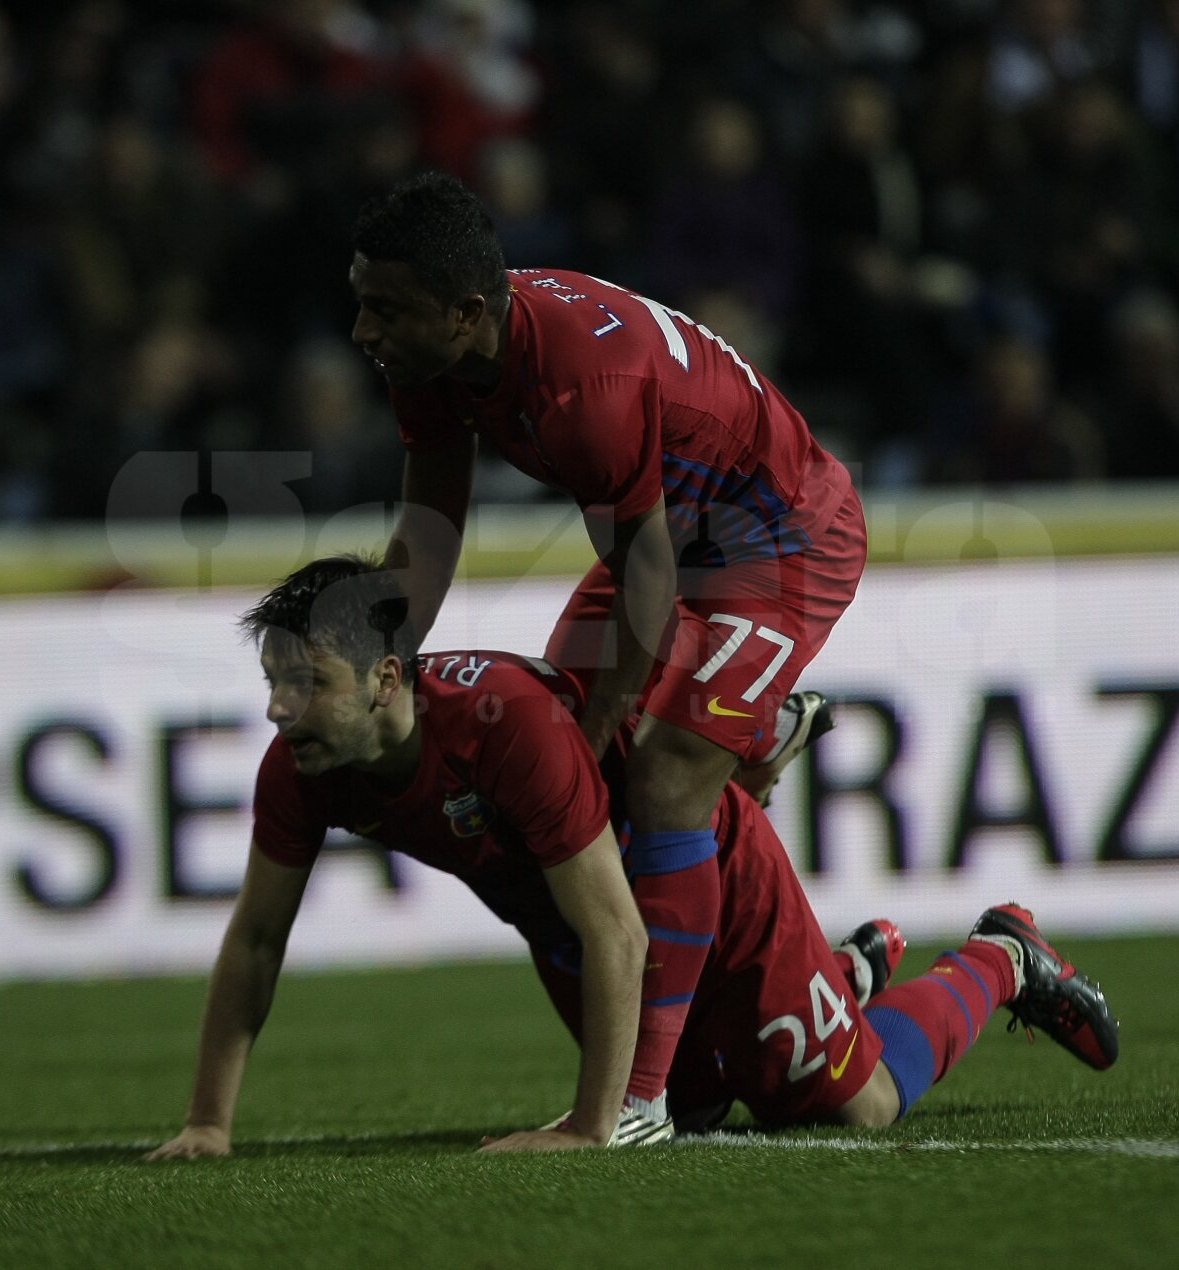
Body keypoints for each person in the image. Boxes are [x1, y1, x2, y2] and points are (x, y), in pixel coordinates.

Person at [146, 556, 1119, 1159]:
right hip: (574, 928)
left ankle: (1000, 956)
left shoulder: (504, 729)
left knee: (848, 1106)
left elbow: (620, 923)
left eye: (304, 682)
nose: (278, 709)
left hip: (697, 888)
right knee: (691, 1110)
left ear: (387, 678)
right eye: (274, 682)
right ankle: (843, 977)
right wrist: (208, 1122)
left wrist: (587, 1126)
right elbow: (258, 939)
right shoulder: (307, 763)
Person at [348, 170, 865, 1107]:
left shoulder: (584, 388)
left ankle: (640, 1102)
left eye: (385, 310)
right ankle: (751, 753)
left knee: (655, 774)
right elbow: (428, 534)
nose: (363, 333)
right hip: (674, 532)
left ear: (465, 313)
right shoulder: (440, 359)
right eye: (360, 304)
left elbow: (649, 583)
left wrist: (584, 753)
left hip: (782, 533)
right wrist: (375, 672)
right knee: (576, 752)